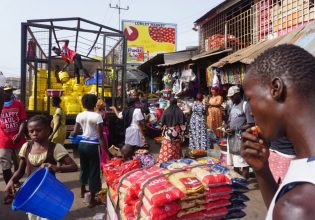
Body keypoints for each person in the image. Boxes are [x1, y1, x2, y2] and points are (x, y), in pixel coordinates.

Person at [241, 44, 315, 220]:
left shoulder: (298, 207)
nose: (251, 112)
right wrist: (262, 171)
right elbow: (278, 208)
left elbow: (285, 209)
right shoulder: (296, 195)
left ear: (276, 88)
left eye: (250, 98)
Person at [5, 115, 78, 219]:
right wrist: (11, 181)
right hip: (31, 195)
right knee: (33, 216)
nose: (34, 134)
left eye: (38, 130)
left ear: (48, 130)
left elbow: (73, 166)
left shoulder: (55, 148)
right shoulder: (26, 147)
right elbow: (20, 171)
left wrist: (56, 167)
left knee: (47, 215)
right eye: (31, 131)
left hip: (49, 194)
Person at [71, 94, 106, 208]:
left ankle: (82, 191)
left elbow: (74, 132)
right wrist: (107, 152)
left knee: (84, 167)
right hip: (93, 145)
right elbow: (100, 137)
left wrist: (73, 135)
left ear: (83, 103)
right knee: (94, 171)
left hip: (82, 145)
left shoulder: (80, 115)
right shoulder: (97, 117)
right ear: (95, 103)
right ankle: (92, 200)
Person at [0, 86, 27, 204]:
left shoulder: (18, 104)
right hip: (4, 141)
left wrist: (20, 133)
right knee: (6, 167)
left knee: (19, 166)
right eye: (6, 91)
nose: (9, 93)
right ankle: (10, 192)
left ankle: (15, 181)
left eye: (10, 91)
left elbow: (23, 120)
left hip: (19, 141)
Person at [226, 85, 255, 178]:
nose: (231, 98)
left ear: (238, 94)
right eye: (230, 97)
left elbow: (251, 124)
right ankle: (237, 181)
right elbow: (230, 121)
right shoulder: (233, 105)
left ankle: (244, 183)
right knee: (235, 162)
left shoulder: (245, 105)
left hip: (240, 138)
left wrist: (236, 129)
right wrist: (226, 127)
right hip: (231, 138)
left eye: (232, 96)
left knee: (243, 162)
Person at [157, 98, 186, 163]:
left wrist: (163, 126)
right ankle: (176, 159)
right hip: (177, 132)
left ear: (170, 103)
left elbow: (161, 123)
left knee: (167, 146)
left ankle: (165, 159)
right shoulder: (179, 111)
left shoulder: (166, 111)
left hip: (168, 133)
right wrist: (182, 132)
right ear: (176, 103)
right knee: (176, 147)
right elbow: (183, 123)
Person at [96, 99, 109, 166]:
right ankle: (104, 163)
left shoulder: (95, 113)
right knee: (104, 147)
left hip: (97, 131)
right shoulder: (103, 113)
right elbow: (107, 122)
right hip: (103, 131)